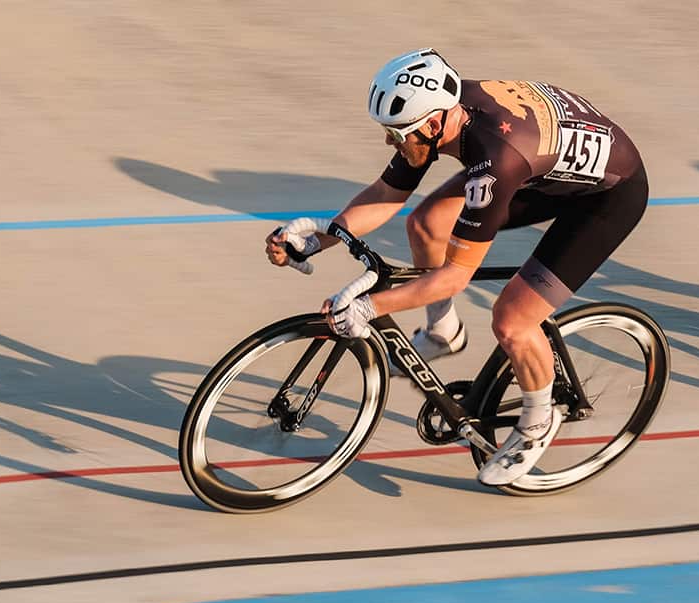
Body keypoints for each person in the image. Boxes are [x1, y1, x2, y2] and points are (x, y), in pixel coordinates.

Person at [265, 48, 647, 485]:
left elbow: (455, 277)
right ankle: (443, 332)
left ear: (432, 125)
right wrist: (315, 240)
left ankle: (539, 422)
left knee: (512, 320)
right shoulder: (440, 112)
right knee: (427, 224)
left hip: (604, 200)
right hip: (541, 168)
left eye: (396, 134)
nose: (389, 142)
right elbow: (388, 193)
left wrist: (369, 308)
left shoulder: (492, 159)